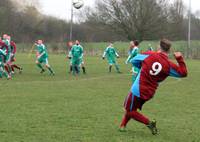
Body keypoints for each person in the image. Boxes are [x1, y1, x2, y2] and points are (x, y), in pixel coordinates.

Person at [119, 39, 188, 135]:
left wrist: (143, 66)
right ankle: (122, 126)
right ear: (168, 50)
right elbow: (183, 73)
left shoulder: (149, 54)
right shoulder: (168, 65)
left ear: (159, 47)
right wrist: (179, 59)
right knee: (132, 108)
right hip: (150, 92)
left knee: (129, 110)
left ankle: (149, 123)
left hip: (138, 88)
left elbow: (133, 60)